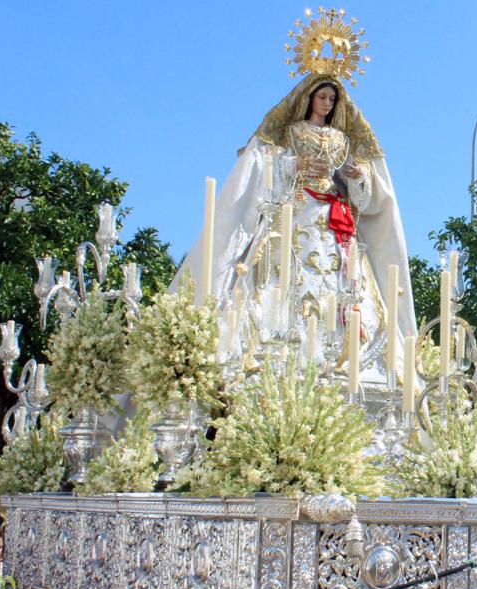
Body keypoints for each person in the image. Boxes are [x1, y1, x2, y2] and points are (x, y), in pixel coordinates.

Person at [174, 66, 416, 384]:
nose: (327, 103)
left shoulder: (342, 140)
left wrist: (359, 178)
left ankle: (345, 356)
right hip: (297, 213)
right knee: (284, 276)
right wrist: (292, 165)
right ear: (309, 98)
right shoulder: (292, 132)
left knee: (345, 282)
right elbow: (268, 170)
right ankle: (279, 349)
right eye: (322, 96)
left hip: (333, 222)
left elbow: (363, 195)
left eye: (332, 98)